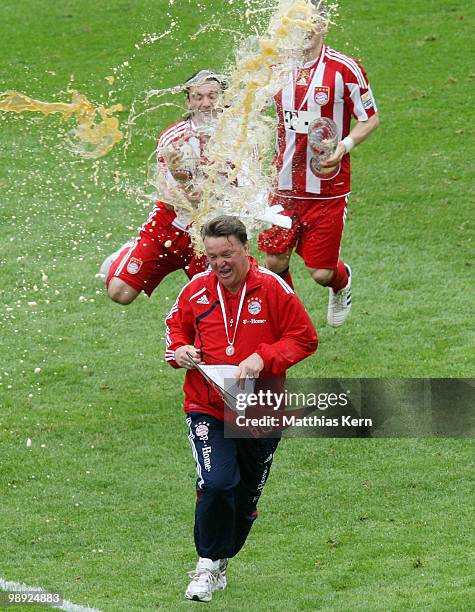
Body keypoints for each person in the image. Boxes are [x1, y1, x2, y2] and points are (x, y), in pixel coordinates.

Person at [165, 215, 318, 602]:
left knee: (246, 497)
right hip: (207, 405)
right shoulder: (196, 292)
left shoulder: (274, 289)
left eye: (227, 254)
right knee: (217, 483)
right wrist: (179, 350)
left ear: (245, 249)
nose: (219, 264)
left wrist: (264, 359)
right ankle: (206, 563)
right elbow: (175, 329)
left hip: (260, 409)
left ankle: (221, 558)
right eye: (212, 256)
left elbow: (305, 338)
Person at [258, 0, 380, 326]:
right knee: (274, 259)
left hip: (327, 186)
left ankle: (341, 281)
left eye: (311, 24)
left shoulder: (344, 69)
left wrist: (345, 144)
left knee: (321, 272)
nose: (305, 31)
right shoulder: (275, 66)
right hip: (282, 184)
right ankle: (289, 321)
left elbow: (370, 118)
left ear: (323, 25)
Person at [99, 70, 226, 304]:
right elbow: (170, 196)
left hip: (212, 232)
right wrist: (190, 188)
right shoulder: (173, 140)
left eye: (212, 96)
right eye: (198, 97)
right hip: (170, 223)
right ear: (188, 102)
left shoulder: (239, 137)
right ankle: (127, 253)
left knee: (218, 302)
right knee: (120, 293)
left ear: (223, 99)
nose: (205, 103)